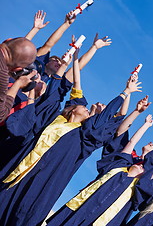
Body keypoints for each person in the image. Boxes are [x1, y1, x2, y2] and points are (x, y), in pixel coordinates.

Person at [0, 54, 141, 226]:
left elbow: (116, 118)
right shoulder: (54, 119)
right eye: (84, 107)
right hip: (22, 171)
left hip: (45, 181)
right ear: (72, 111)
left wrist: (126, 92)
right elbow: (64, 86)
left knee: (23, 216)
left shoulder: (85, 138)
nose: (87, 109)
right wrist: (73, 59)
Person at [0, 37, 37, 122]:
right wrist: (18, 84)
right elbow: (1, 115)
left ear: (7, 40)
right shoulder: (2, 77)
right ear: (16, 69)